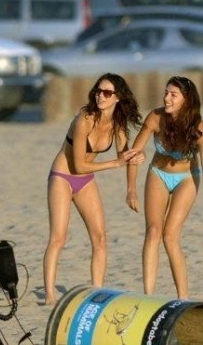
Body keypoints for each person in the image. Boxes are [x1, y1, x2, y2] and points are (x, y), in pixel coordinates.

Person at [43, 73, 144, 305]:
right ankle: (50, 294)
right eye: (98, 91)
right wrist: (115, 163)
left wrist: (131, 187)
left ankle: (97, 290)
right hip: (63, 177)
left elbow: (125, 156)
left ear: (117, 97)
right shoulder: (84, 120)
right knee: (58, 237)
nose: (101, 96)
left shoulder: (118, 124)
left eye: (107, 93)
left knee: (100, 238)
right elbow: (78, 165)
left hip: (85, 180)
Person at [127, 76, 203, 299]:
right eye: (166, 93)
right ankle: (148, 296)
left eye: (173, 95)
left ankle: (183, 298)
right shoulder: (155, 118)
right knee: (153, 232)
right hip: (158, 174)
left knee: (170, 236)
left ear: (186, 100)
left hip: (187, 178)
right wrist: (131, 188)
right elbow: (134, 153)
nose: (166, 98)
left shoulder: (198, 127)